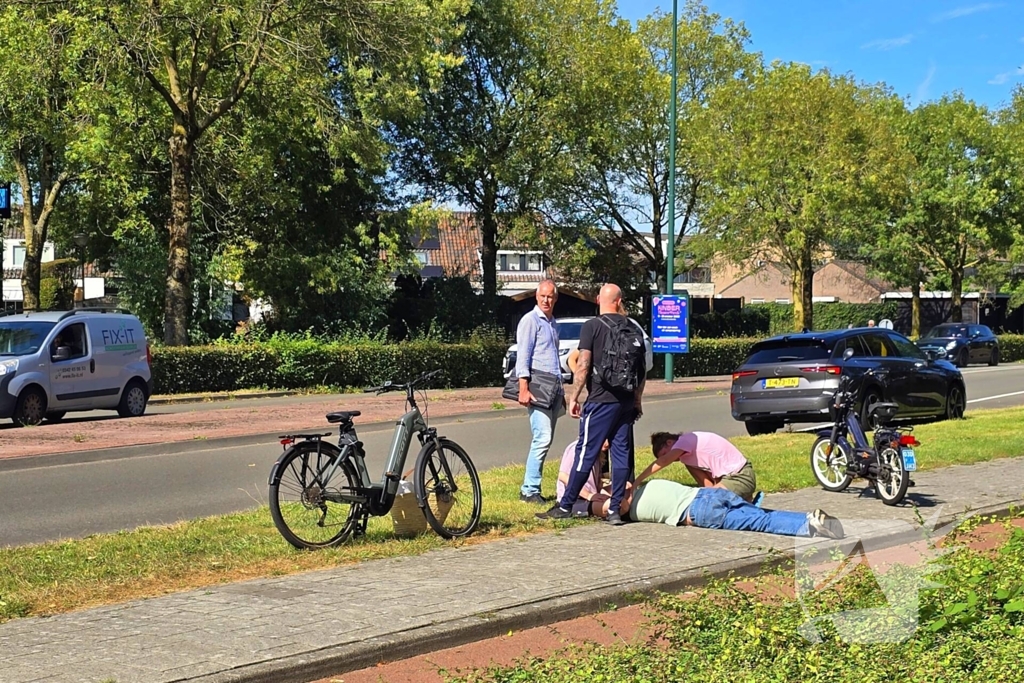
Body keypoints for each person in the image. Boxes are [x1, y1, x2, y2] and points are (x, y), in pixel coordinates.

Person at [538, 283, 645, 525]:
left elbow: (583, 364)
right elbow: (641, 371)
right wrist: (637, 401)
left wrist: (574, 396)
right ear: (620, 301)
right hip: (626, 401)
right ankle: (615, 510)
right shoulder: (633, 328)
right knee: (621, 454)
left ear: (598, 300)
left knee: (586, 452)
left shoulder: (592, 326)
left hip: (600, 400)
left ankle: (565, 505)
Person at [586, 479, 845, 539]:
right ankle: (810, 520)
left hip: (701, 505)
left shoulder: (633, 500)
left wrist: (596, 493)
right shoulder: (637, 499)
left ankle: (808, 524)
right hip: (706, 497)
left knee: (759, 521)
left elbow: (607, 503)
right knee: (760, 516)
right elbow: (602, 505)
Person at [515, 279, 565, 504]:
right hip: (537, 389)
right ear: (537, 296)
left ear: (555, 299)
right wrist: (523, 388)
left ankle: (531, 487)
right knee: (542, 437)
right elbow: (523, 356)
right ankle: (529, 490)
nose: (546, 300)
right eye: (543, 296)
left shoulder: (553, 322)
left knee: (547, 437)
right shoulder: (530, 321)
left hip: (553, 388)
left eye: (550, 297)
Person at [642, 431, 760, 503]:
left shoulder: (684, 441)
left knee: (706, 502)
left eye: (664, 453)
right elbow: (707, 485)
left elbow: (664, 461)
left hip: (740, 476)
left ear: (669, 443)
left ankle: (745, 506)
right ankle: (742, 502)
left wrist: (637, 482)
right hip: (730, 478)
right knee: (705, 500)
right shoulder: (687, 458)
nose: (671, 460)